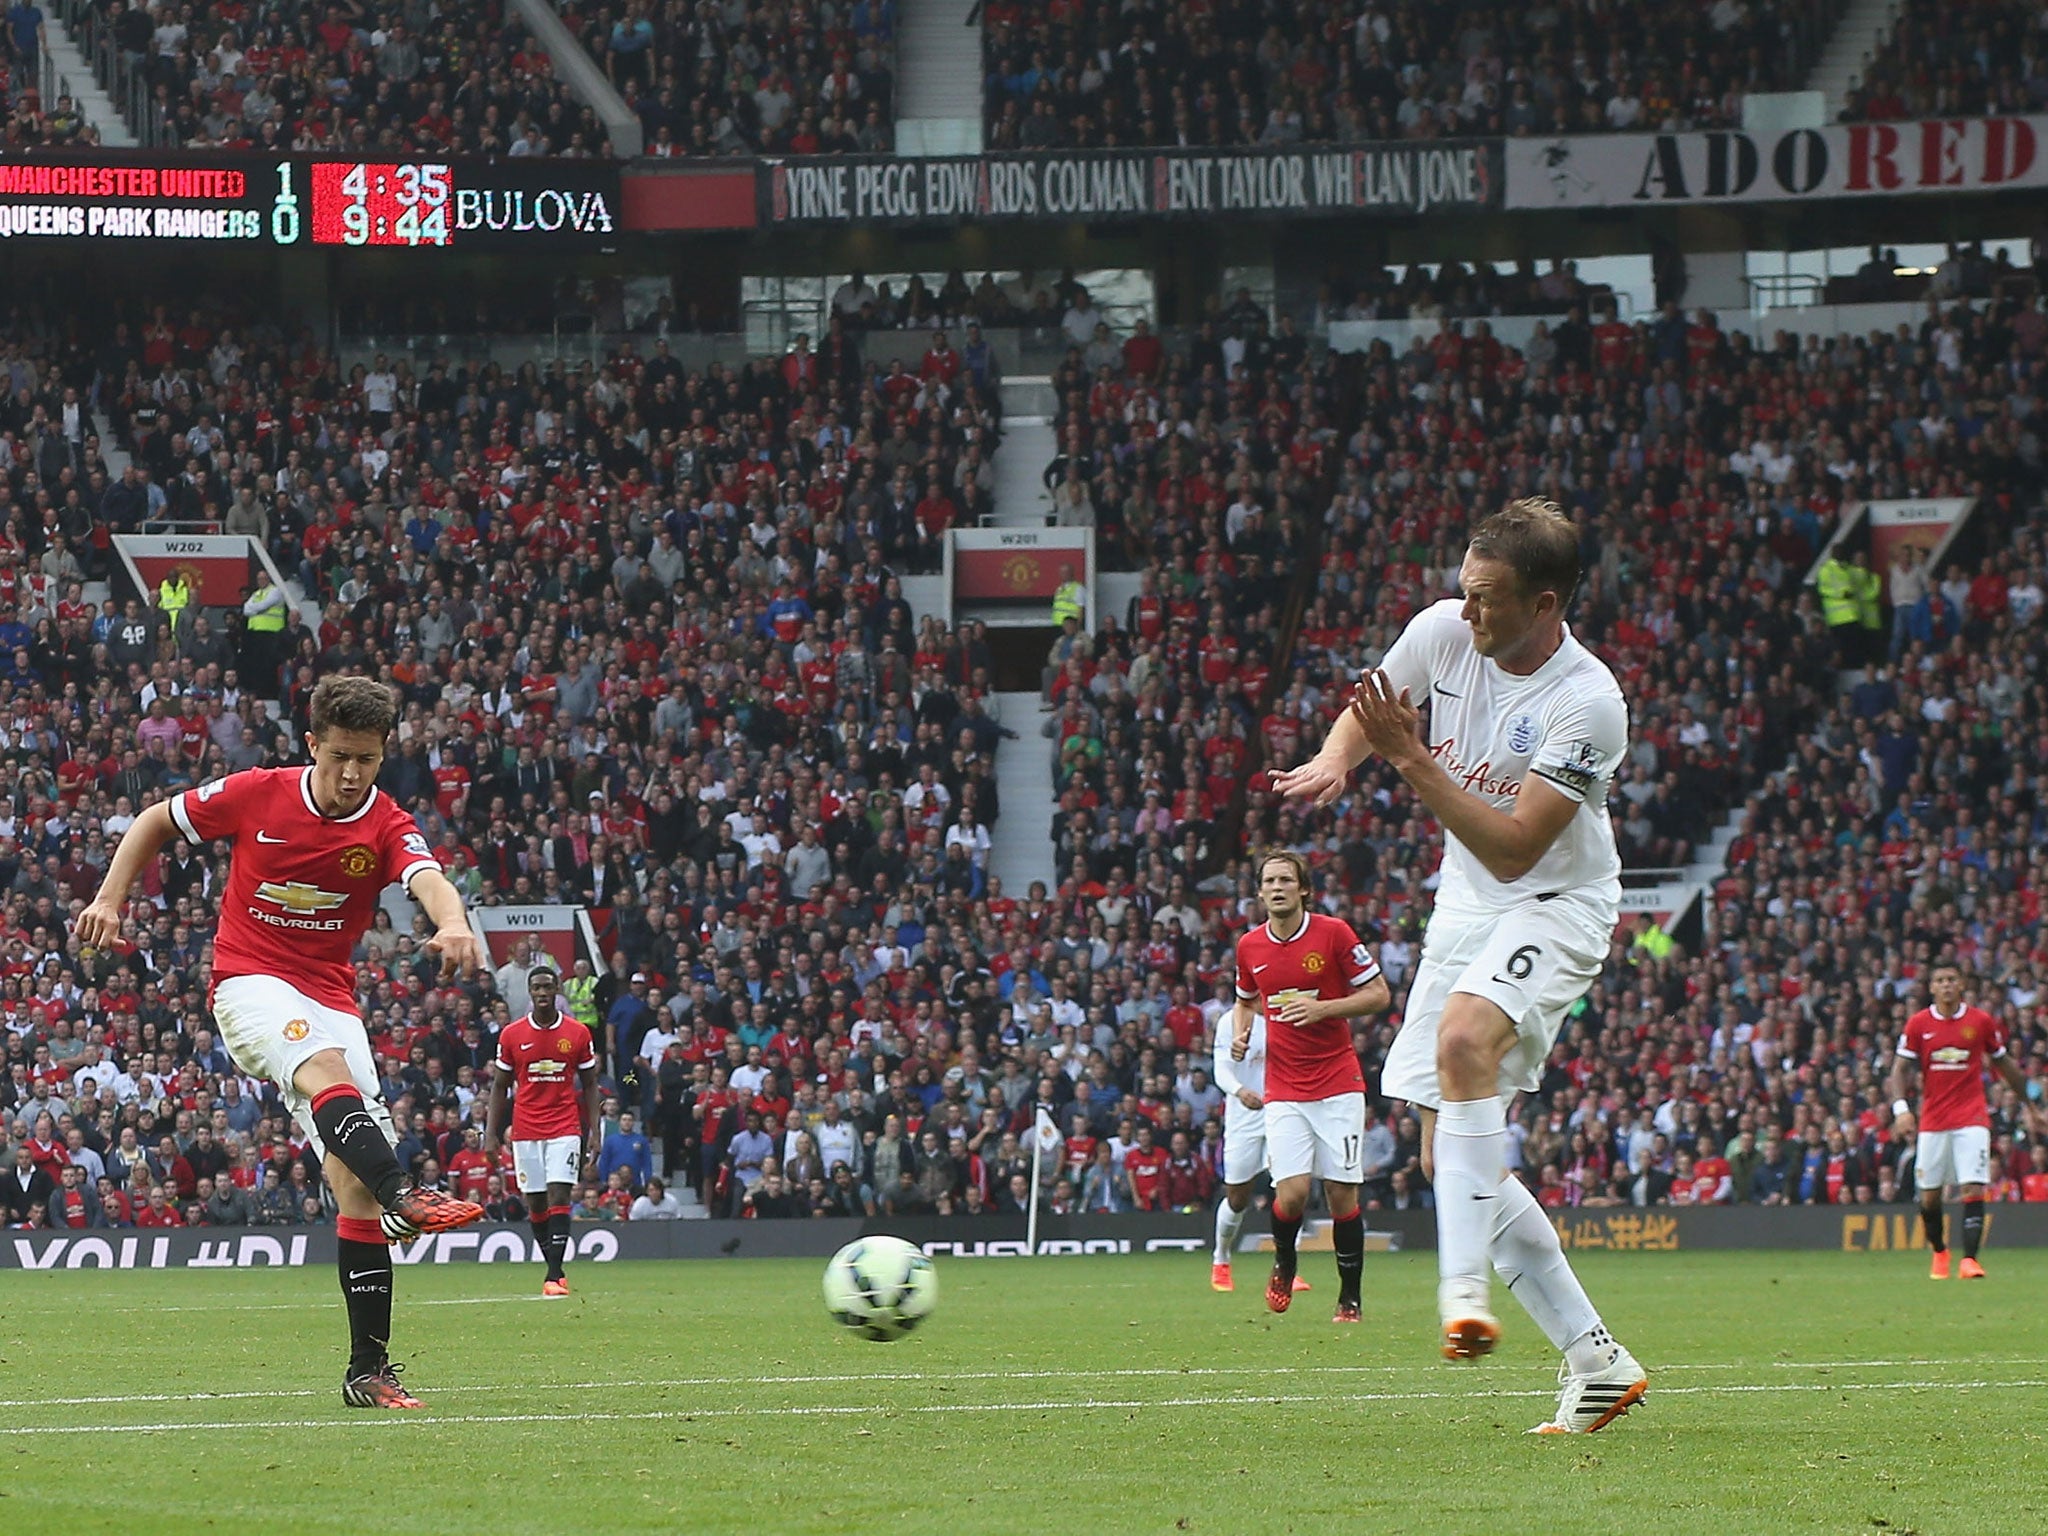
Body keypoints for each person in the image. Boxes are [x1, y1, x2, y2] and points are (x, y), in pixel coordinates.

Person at [1273, 498, 1648, 1434]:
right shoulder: (1445, 627)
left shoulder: (1588, 701)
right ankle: (1596, 1361)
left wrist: (1407, 763)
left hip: (1556, 900)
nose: (1466, 612)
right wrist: (1337, 758)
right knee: (1450, 1156)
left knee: (1463, 1036)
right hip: (1467, 903)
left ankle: (1461, 1292)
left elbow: (1521, 849)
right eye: (1464, 591)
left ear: (1545, 603)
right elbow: (1375, 704)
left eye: (1488, 600)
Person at [74, 674, 488, 1410]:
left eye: (366, 759)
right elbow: (151, 822)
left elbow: (428, 878)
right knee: (326, 1076)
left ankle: (368, 1371)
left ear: (384, 751)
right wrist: (110, 898)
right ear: (311, 746)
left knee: (352, 1188)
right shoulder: (259, 792)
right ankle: (408, 1194)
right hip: (248, 982)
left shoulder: (386, 821)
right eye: (338, 758)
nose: (351, 774)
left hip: (332, 997)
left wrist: (453, 923)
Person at [1229, 851, 1389, 1322]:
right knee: (1292, 1194)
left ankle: (1350, 1296)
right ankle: (1285, 1259)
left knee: (1342, 1194)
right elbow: (1245, 1000)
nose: (1276, 887)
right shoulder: (1249, 947)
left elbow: (1379, 994)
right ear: (1260, 892)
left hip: (1338, 1082)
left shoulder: (1334, 934)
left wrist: (1323, 1009)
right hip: (1284, 1086)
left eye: (1285, 880)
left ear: (1303, 889)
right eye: (1268, 881)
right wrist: (1242, 1033)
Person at [1889, 963, 2046, 1279]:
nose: (1946, 985)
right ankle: (1940, 1251)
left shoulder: (1980, 1021)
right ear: (1932, 988)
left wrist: (2031, 1105)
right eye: (1940, 980)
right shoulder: (1919, 1024)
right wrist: (1901, 1108)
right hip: (1933, 1119)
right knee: (1930, 1196)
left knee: (1973, 1184)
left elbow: (2005, 1065)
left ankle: (1969, 1260)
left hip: (1971, 1116)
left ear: (1961, 985)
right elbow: (1899, 1071)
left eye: (1951, 980)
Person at [485, 963, 600, 1298]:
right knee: (535, 1203)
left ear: (557, 989)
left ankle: (552, 1274)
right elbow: (499, 1086)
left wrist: (595, 1131)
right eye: (536, 988)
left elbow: (590, 1084)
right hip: (526, 1129)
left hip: (565, 1125)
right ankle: (555, 1268)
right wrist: (491, 1133)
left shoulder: (577, 1033)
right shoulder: (512, 1035)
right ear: (530, 991)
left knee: (560, 1195)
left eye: (548, 987)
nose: (542, 993)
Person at [1207, 999, 1308, 1298]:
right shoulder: (1232, 1021)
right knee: (1237, 1198)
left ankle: (1288, 1268)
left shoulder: (1289, 1015)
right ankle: (1221, 1259)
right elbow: (1221, 1069)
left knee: (1291, 1190)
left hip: (1284, 1110)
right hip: (1245, 1116)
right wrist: (1239, 1091)